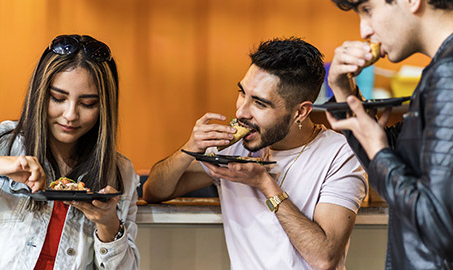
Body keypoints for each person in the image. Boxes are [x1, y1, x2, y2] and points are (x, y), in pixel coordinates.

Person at [143, 37, 367, 269]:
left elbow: (324, 258)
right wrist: (188, 149)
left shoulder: (340, 154)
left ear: (300, 112)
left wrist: (264, 183)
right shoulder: (232, 147)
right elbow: (154, 191)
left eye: (260, 104)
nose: (241, 112)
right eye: (242, 93)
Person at [0, 34, 140, 269]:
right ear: (40, 94)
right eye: (58, 98)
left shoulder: (120, 171)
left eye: (88, 104)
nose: (70, 114)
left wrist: (108, 224)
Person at [326, 0, 453, 268]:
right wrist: (342, 89)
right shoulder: (440, 69)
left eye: (367, 9)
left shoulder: (448, 74)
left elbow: (439, 225)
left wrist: (379, 151)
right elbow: (402, 163)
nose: (364, 30)